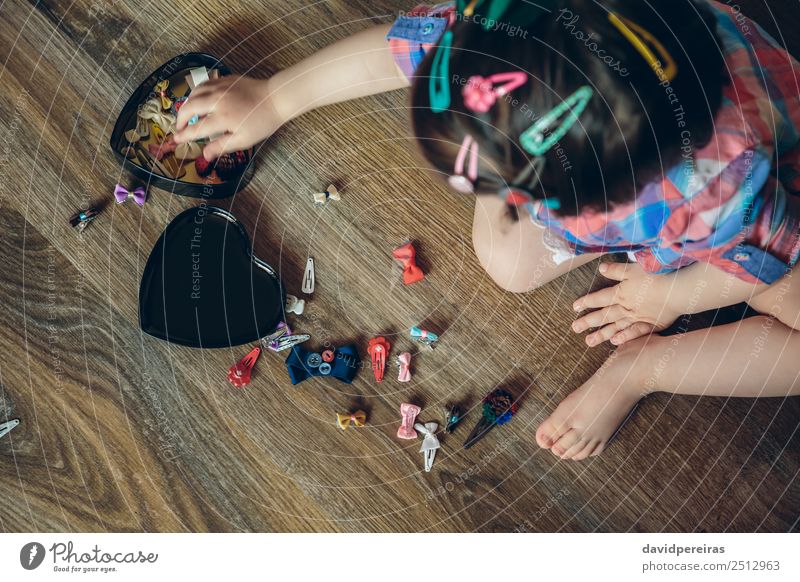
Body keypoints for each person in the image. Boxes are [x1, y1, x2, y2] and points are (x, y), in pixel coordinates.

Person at [174, 0, 800, 460]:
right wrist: (277, 97)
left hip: (766, 218)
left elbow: (761, 259)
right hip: (640, 169)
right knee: (507, 263)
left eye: (502, 187)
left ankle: (643, 369)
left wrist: (665, 295)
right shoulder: (509, 29)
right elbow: (403, 53)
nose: (474, 188)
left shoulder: (723, 185)